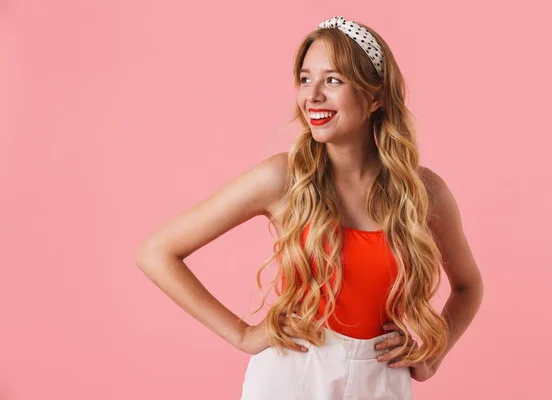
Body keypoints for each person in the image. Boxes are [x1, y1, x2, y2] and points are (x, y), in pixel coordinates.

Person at [135, 15, 484, 400]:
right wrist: (241, 334)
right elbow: (156, 252)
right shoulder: (283, 178)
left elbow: (468, 287)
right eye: (305, 79)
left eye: (332, 80)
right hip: (295, 373)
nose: (312, 95)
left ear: (376, 97)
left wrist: (433, 354)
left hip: (383, 378)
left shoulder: (424, 192)